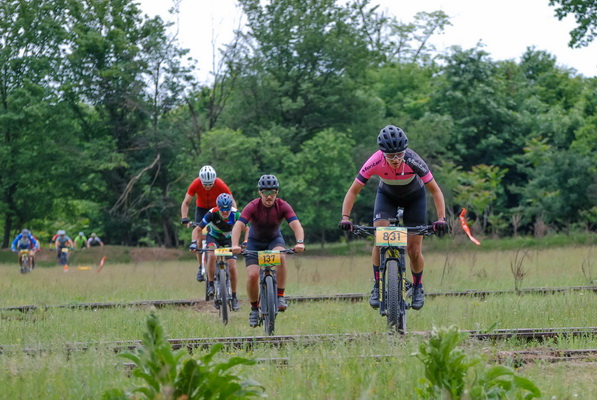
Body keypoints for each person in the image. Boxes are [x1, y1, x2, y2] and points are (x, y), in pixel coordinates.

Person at [339, 125, 448, 311]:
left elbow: (435, 191)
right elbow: (353, 190)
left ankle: (418, 287)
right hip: (387, 197)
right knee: (379, 239)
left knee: (414, 249)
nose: (396, 159)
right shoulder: (374, 161)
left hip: (415, 198)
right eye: (390, 156)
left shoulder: (413, 160)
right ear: (382, 154)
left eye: (399, 154)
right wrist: (345, 218)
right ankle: (377, 286)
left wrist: (441, 219)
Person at [231, 174, 305, 328]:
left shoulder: (283, 206)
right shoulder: (252, 206)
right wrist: (235, 245)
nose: (269, 196)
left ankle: (280, 296)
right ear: (260, 192)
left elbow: (296, 225)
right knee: (252, 275)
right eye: (265, 192)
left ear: (277, 192)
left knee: (281, 256)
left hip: (274, 240)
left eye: (272, 192)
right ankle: (254, 309)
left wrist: (299, 242)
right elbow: (238, 225)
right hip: (254, 243)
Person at [193, 193, 249, 311]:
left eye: (227, 209)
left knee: (232, 266)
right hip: (214, 238)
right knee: (212, 255)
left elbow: (247, 228)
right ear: (217, 207)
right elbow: (197, 229)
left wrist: (245, 242)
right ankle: (211, 284)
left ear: (230, 207)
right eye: (222, 209)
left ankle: (234, 296)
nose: (224, 212)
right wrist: (194, 242)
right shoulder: (212, 213)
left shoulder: (236, 214)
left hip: (229, 239)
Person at [180, 165, 236, 282]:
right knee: (199, 238)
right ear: (200, 181)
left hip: (217, 210)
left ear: (214, 181)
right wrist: (184, 217)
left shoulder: (220, 183)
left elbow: (232, 202)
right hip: (201, 210)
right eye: (205, 184)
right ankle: (200, 266)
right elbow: (186, 202)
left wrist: (233, 216)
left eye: (210, 184)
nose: (207, 187)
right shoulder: (195, 183)